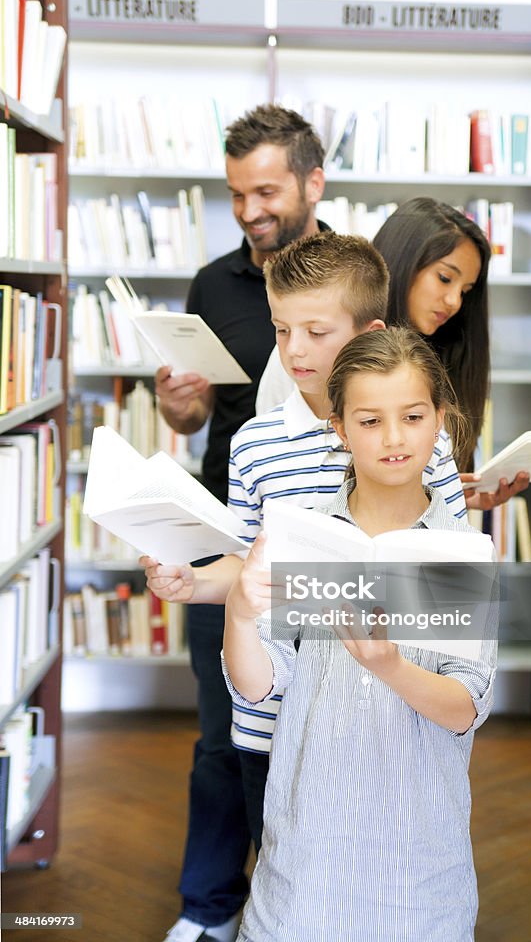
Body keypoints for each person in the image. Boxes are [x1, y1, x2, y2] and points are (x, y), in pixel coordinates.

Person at [142, 230, 473, 854]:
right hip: (276, 716)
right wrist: (194, 579)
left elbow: (449, 578)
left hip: (386, 712)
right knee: (285, 869)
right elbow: (244, 568)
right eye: (280, 329)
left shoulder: (418, 439)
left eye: (316, 332)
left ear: (370, 330)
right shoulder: (255, 444)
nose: (295, 351)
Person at [222, 326, 497, 942]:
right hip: (306, 849)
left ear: (440, 421)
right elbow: (259, 686)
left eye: (413, 416)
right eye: (370, 421)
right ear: (340, 430)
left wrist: (392, 668)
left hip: (417, 859)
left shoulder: (459, 550)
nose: (394, 438)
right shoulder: (305, 535)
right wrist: (240, 614)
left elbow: (466, 708)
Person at [154, 103, 327, 942]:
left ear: (311, 182)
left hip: (322, 536)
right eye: (235, 194)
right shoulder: (214, 283)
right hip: (223, 532)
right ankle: (210, 906)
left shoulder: (352, 279)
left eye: (265, 190)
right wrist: (175, 405)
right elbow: (192, 423)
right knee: (222, 732)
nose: (250, 210)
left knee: (313, 730)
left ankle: (297, 900)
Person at [257, 196, 530, 509]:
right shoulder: (302, 360)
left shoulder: (441, 353)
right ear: (403, 262)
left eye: (465, 291)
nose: (455, 302)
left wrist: (449, 495)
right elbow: (275, 465)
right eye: (444, 278)